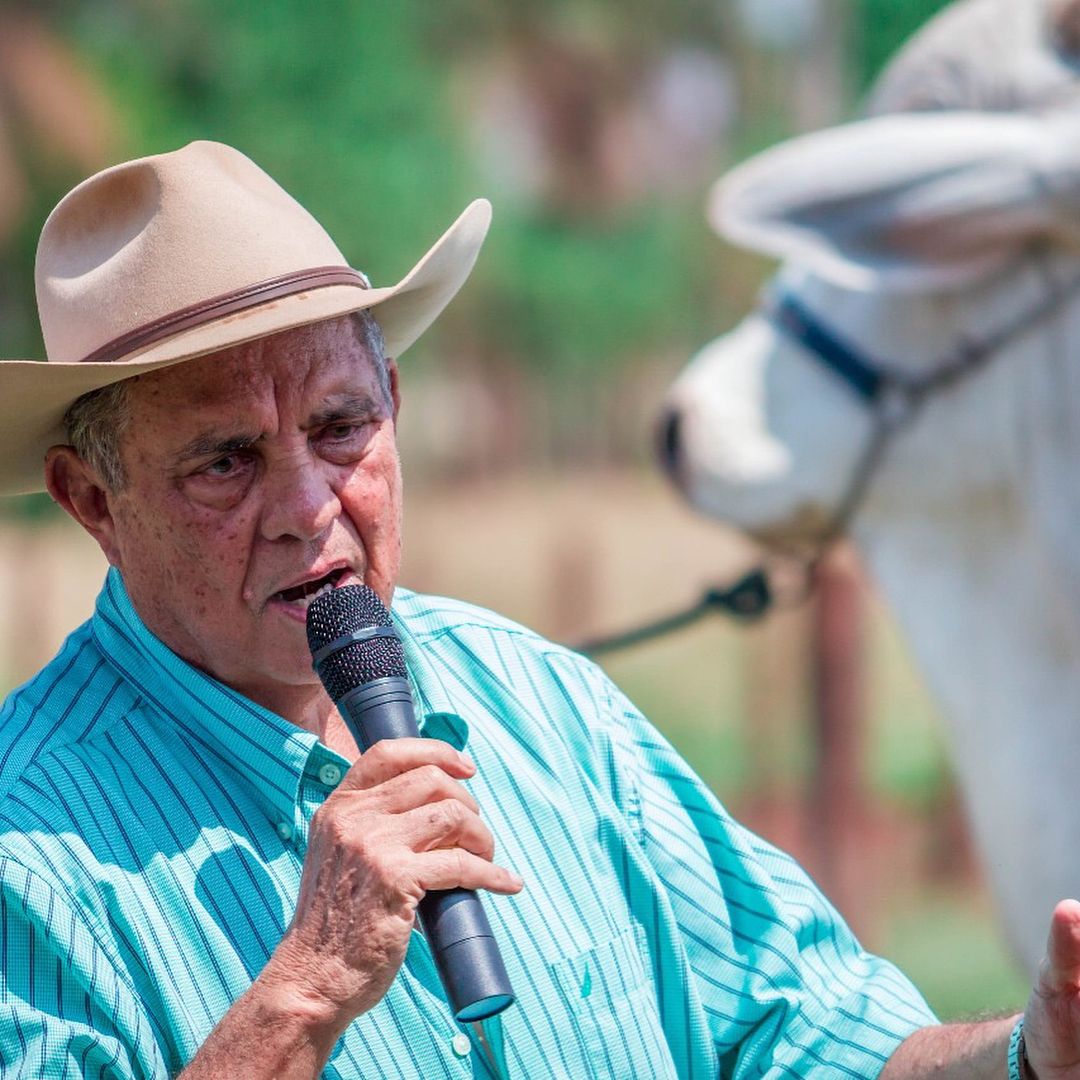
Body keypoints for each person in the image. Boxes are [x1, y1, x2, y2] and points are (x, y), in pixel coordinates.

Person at [0, 141, 1074, 1080]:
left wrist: (1030, 1055)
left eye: (340, 427)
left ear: (395, 410)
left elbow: (812, 1038)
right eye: (225, 461)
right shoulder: (27, 856)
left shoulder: (540, 695)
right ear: (91, 500)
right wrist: (304, 993)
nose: (307, 507)